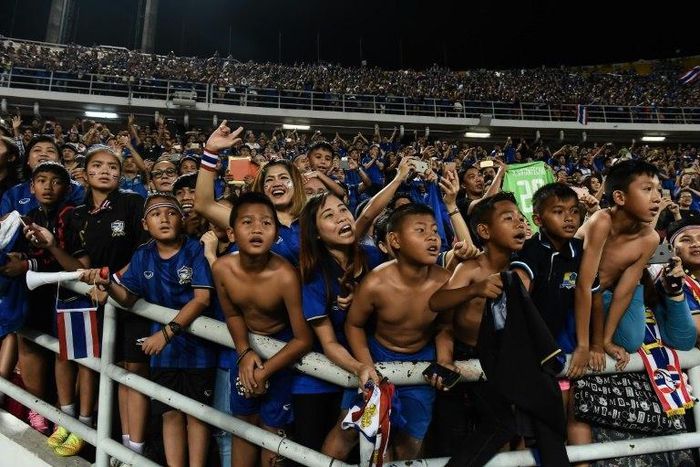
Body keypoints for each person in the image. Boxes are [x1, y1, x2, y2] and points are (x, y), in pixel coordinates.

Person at [83, 193, 217, 467]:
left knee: (196, 416)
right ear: (145, 224)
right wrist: (109, 287)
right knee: (169, 412)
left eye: (170, 212)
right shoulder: (143, 254)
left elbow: (202, 299)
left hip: (196, 351)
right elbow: (129, 298)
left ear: (181, 219)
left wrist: (166, 334)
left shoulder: (194, 250)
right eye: (156, 214)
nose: (164, 218)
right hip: (164, 353)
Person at [428, 193, 530, 465]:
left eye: (521, 218)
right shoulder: (471, 268)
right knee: (464, 432)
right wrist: (475, 289)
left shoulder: (525, 267)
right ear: (484, 231)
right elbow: (438, 306)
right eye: (509, 219)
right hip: (465, 356)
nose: (519, 224)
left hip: (500, 361)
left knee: (509, 432)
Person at [212, 192, 312, 467]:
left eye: (266, 223)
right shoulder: (222, 268)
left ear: (276, 233)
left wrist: (265, 371)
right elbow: (232, 314)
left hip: (281, 352)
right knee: (243, 424)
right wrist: (244, 353)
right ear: (231, 233)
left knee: (273, 431)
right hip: (245, 349)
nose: (257, 229)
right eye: (248, 222)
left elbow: (303, 338)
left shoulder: (285, 275)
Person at [345, 203, 451, 460]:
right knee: (355, 435)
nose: (432, 237)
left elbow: (444, 326)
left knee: (411, 444)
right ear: (395, 240)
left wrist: (445, 359)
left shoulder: (446, 280)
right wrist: (366, 365)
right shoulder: (375, 283)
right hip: (377, 358)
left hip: (421, 363)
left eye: (435, 231)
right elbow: (354, 324)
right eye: (421, 230)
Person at [510, 183, 595, 462]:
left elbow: (593, 298)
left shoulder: (582, 250)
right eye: (558, 212)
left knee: (558, 424)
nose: (569, 218)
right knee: (524, 432)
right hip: (530, 352)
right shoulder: (530, 252)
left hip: (564, 348)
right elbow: (518, 300)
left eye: (574, 211)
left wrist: (590, 344)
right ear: (537, 219)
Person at [295, 192, 383, 459]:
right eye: (329, 216)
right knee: (331, 443)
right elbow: (329, 342)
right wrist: (360, 368)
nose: (341, 218)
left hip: (374, 361)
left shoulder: (373, 257)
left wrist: (364, 302)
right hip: (326, 374)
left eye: (343, 210)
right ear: (317, 233)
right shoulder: (313, 274)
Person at [575, 160, 661, 371]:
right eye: (647, 189)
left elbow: (625, 290)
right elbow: (584, 285)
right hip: (573, 291)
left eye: (658, 189)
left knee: (631, 342)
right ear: (620, 197)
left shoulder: (651, 238)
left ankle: (602, 312)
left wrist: (606, 340)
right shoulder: (601, 220)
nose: (657, 198)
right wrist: (589, 344)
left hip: (601, 292)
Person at [196, 121, 306, 265]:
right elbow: (203, 204)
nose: (277, 183)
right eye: (269, 180)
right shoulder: (249, 221)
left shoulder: (312, 218)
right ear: (262, 189)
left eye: (284, 178)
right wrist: (210, 151)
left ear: (296, 185)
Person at [0, 136, 85, 216]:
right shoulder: (13, 194)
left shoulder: (76, 189)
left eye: (50, 151)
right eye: (37, 150)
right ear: (28, 160)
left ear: (59, 160)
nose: (43, 154)